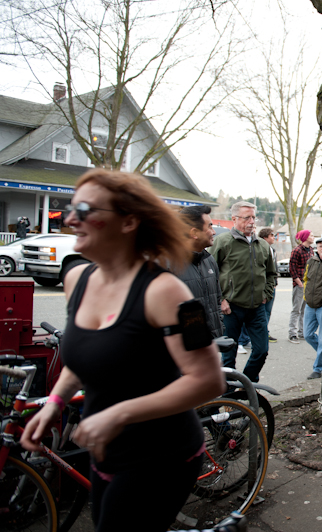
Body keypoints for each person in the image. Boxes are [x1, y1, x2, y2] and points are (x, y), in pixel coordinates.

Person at [21, 169, 226, 531]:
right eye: (71, 209)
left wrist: (117, 414)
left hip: (162, 456)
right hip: (104, 453)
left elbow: (209, 381)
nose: (70, 219)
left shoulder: (170, 293)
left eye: (84, 209)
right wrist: (53, 403)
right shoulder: (76, 280)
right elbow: (87, 356)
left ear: (129, 221)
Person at [210, 201, 277, 383]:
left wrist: (266, 294)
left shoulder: (263, 245)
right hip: (231, 308)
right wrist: (221, 299)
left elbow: (271, 274)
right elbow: (210, 273)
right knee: (228, 356)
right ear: (234, 219)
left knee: (262, 350)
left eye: (254, 217)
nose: (252, 221)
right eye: (247, 217)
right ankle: (229, 394)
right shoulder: (223, 242)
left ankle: (246, 384)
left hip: (257, 308)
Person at [175, 205, 224, 339]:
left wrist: (219, 328)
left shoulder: (209, 260)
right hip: (186, 350)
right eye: (209, 226)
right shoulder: (168, 265)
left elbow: (217, 300)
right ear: (194, 233)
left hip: (211, 343)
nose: (214, 232)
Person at [289, 229, 315, 343]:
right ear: (305, 237)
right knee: (297, 309)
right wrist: (297, 281)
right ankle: (292, 334)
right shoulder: (297, 250)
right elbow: (292, 267)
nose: (313, 237)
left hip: (308, 283)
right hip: (300, 283)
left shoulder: (311, 250)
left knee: (304, 309)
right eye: (311, 235)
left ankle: (301, 332)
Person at [304, 237, 322, 380]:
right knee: (308, 335)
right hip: (310, 304)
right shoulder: (312, 261)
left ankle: (318, 368)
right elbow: (306, 279)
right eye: (319, 246)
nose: (321, 248)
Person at [259, 227, 279, 344]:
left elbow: (273, 270)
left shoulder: (273, 250)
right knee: (261, 312)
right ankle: (260, 334)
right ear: (265, 237)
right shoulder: (259, 249)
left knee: (268, 311)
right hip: (263, 287)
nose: (274, 238)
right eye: (271, 235)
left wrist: (274, 283)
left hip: (272, 286)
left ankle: (265, 332)